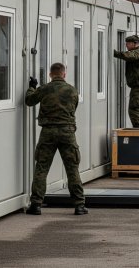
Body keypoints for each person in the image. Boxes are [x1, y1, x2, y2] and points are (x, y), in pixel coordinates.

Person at [24, 63, 87, 215]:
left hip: (48, 132)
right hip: (67, 132)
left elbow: (29, 101)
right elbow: (74, 108)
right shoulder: (72, 90)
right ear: (64, 74)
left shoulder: (44, 89)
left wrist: (32, 86)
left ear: (51, 74)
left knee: (42, 168)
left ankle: (36, 205)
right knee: (72, 169)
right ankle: (79, 205)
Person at [113, 35, 139, 128]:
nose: (126, 45)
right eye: (126, 43)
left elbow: (128, 56)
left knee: (134, 108)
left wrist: (113, 52)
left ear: (135, 44)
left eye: (128, 43)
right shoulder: (138, 51)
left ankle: (138, 130)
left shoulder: (137, 52)